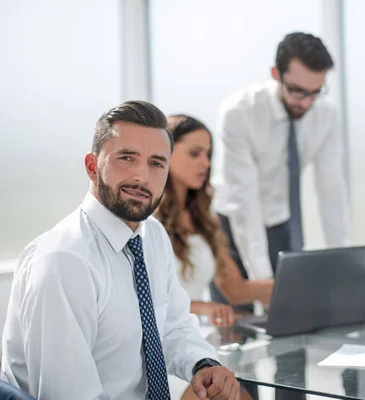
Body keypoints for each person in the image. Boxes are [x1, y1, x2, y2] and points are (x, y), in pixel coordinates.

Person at [0, 101, 239, 400]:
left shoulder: (152, 236)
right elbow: (69, 396)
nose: (142, 176)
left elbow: (175, 326)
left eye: (156, 163)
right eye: (127, 158)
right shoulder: (64, 261)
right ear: (91, 166)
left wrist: (203, 364)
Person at [211, 31, 350, 302]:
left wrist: (341, 264)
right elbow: (244, 201)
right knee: (235, 323)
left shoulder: (326, 116)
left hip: (281, 223)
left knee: (291, 315)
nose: (306, 102)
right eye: (298, 91)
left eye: (315, 92)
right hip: (230, 228)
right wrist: (264, 284)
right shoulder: (240, 112)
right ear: (276, 73)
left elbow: (332, 189)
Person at [155, 114, 273, 328]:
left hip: (192, 336)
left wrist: (300, 284)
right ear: (165, 154)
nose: (206, 163)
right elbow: (141, 302)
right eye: (194, 153)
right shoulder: (144, 220)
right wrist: (202, 307)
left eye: (208, 154)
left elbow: (236, 290)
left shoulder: (203, 219)